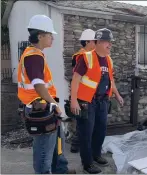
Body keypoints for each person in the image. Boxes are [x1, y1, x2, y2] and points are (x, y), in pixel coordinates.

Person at [17, 14, 75, 174]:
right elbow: (38, 85)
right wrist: (55, 105)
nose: (52, 38)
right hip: (40, 109)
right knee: (44, 152)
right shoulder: (34, 56)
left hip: (44, 107)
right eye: (50, 35)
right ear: (40, 35)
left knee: (58, 143)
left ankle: (60, 170)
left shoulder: (35, 54)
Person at [70, 28, 124, 174]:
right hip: (86, 102)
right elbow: (75, 79)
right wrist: (73, 100)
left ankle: (96, 155)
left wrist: (117, 95)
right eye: (108, 42)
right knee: (86, 133)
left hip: (102, 102)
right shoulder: (85, 57)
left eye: (111, 42)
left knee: (100, 131)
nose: (110, 45)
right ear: (99, 42)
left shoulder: (109, 60)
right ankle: (87, 163)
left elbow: (110, 80)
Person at [69, 29, 96, 153]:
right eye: (94, 41)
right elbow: (78, 77)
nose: (96, 44)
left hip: (86, 94)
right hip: (83, 94)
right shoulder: (82, 56)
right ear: (87, 42)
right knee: (83, 122)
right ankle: (76, 145)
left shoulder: (85, 55)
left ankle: (77, 145)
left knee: (83, 122)